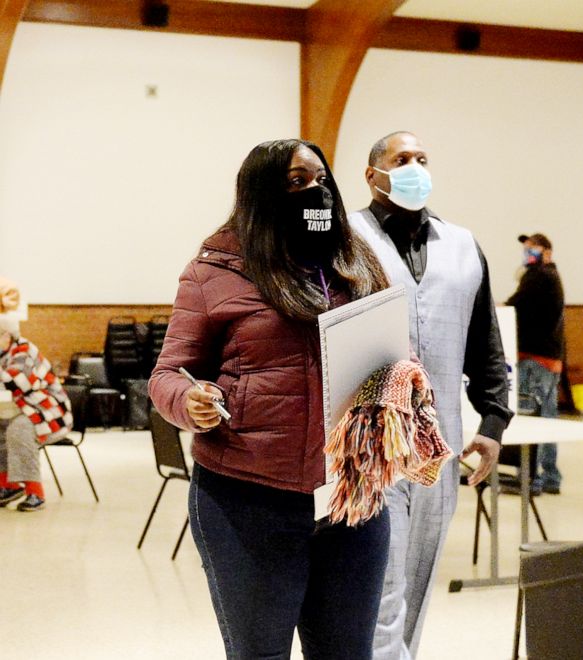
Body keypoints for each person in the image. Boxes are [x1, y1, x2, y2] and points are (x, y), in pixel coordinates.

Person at [148, 139, 393, 660]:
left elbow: (389, 353)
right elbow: (168, 373)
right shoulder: (214, 272)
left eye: (321, 179)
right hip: (249, 500)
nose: (316, 191)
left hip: (351, 496)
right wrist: (189, 398)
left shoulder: (356, 260)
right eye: (297, 183)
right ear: (260, 196)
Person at [348, 131, 513, 659]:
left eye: (422, 158)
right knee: (382, 593)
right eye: (401, 159)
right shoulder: (345, 239)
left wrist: (492, 425)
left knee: (415, 589)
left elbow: (485, 343)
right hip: (368, 446)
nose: (415, 167)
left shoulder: (462, 245)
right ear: (373, 175)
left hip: (440, 447)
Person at [506, 233, 566, 494]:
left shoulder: (537, 277)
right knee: (548, 418)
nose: (527, 252)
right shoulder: (551, 277)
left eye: (532, 248)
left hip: (534, 358)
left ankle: (533, 478)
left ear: (547, 252)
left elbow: (514, 307)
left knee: (532, 419)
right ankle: (550, 475)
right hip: (550, 359)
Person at [0, 314, 73, 512]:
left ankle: (35, 492)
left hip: (49, 409)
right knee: (1, 428)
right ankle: (9, 486)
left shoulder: (24, 351)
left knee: (19, 430)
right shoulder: (4, 352)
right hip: (20, 406)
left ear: (7, 335)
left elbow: (15, 382)